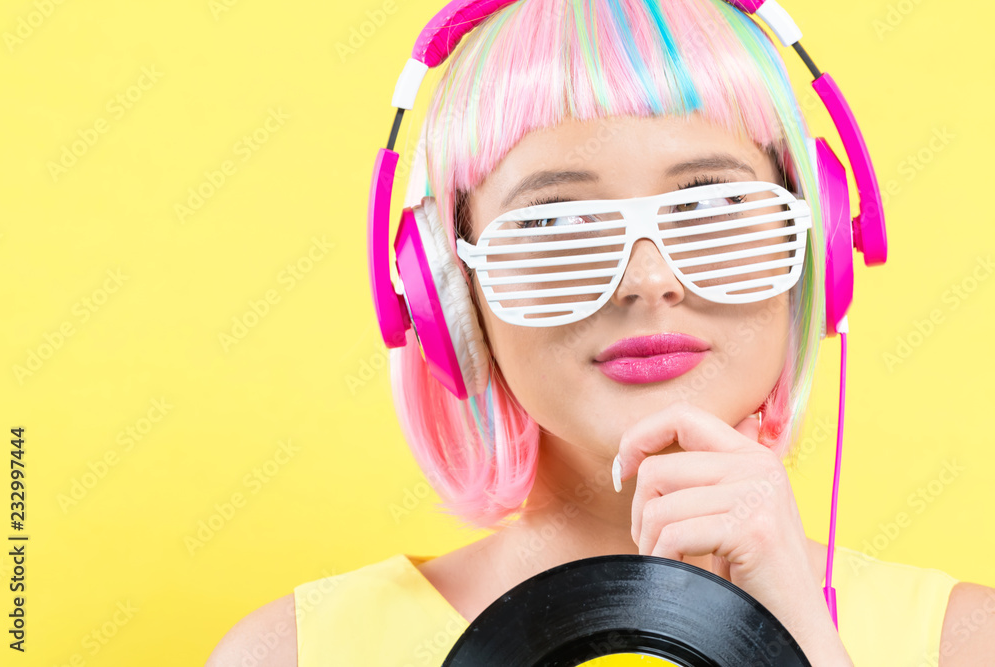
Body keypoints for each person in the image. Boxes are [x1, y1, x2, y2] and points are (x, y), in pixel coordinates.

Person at [206, 1, 995, 665]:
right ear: (447, 294)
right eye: (557, 223)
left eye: (710, 206)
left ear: (818, 248)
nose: (648, 278)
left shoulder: (964, 641)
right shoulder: (296, 652)